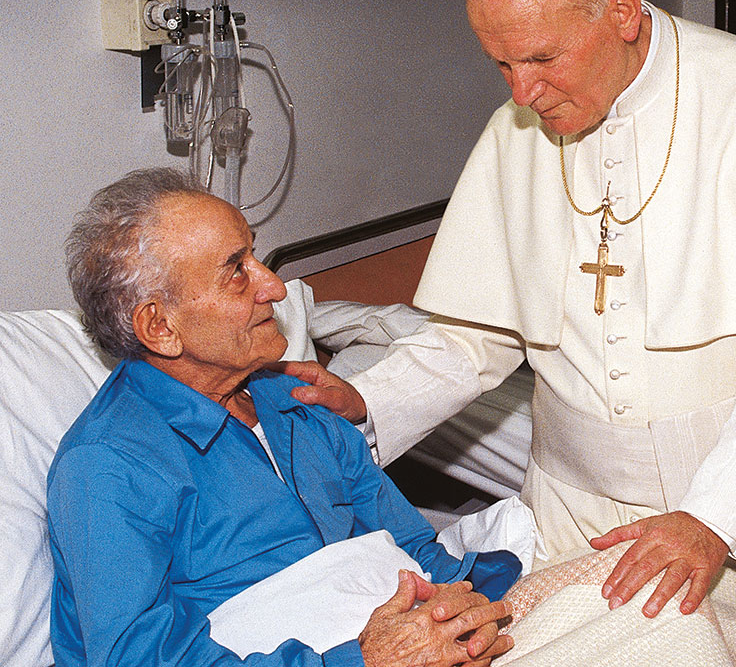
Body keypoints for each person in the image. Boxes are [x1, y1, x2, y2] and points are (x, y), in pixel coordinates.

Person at [284, 0, 736, 618]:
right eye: (502, 64)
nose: (521, 93)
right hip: (566, 507)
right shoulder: (518, 126)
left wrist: (715, 518)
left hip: (731, 507)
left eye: (543, 58)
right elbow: (474, 334)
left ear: (623, 11)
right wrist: (368, 399)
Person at [48, 168, 519, 667]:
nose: (274, 287)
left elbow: (414, 548)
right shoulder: (108, 467)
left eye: (254, 254)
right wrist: (362, 661)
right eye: (236, 270)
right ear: (160, 327)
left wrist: (464, 619)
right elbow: (136, 659)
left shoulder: (295, 401)